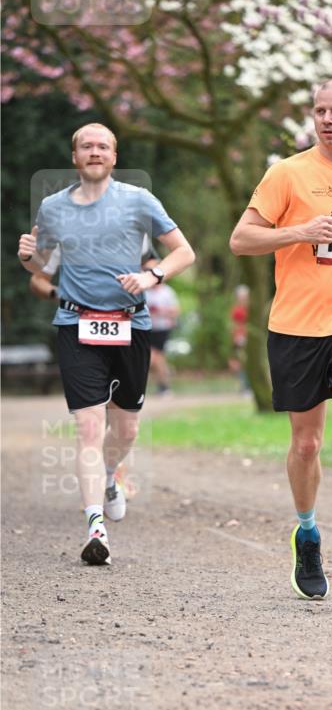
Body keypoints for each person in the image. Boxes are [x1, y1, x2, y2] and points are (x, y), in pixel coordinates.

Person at [230, 77, 332, 600]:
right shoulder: (287, 173)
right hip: (297, 324)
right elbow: (241, 239)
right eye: (320, 111)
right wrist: (297, 232)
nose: (327, 120)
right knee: (306, 443)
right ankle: (306, 532)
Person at [18, 123, 195, 565]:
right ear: (75, 156)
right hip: (76, 325)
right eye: (86, 146)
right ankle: (95, 526)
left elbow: (183, 252)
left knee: (127, 429)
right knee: (89, 429)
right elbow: (41, 265)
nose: (94, 152)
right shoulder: (53, 207)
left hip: (130, 324)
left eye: (103, 146)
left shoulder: (139, 200)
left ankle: (111, 476)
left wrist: (152, 275)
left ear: (114, 156)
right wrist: (28, 258)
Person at [146, 280, 180, 394]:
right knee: (159, 359)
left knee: (155, 357)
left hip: (163, 329)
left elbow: (175, 311)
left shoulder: (167, 292)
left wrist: (161, 311)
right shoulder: (146, 291)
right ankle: (163, 385)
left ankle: (163, 385)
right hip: (148, 329)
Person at [228, 283, 249, 391]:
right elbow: (234, 325)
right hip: (240, 338)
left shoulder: (251, 308)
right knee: (241, 362)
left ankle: (247, 385)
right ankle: (244, 386)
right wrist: (236, 337)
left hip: (249, 338)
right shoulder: (236, 310)